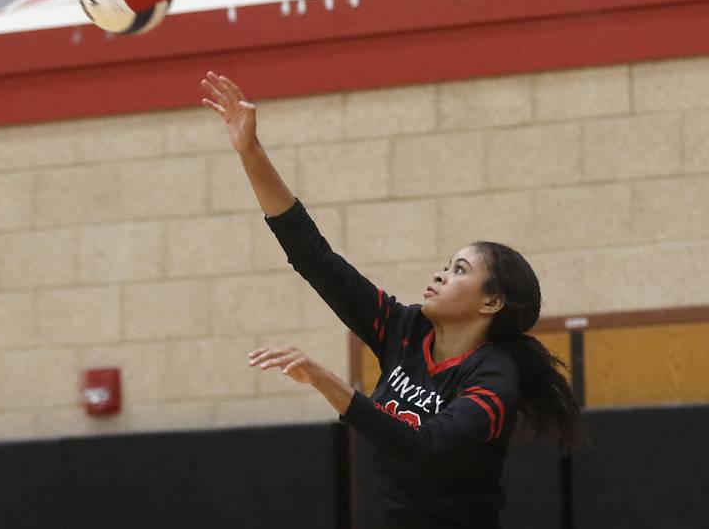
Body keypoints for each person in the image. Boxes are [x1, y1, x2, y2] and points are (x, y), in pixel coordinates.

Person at [200, 71, 582, 529]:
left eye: (460, 269)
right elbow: (313, 256)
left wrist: (329, 384)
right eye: (446, 264)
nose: (441, 274)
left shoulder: (496, 375)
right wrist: (250, 151)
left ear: (491, 303)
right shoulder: (405, 329)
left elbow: (429, 447)